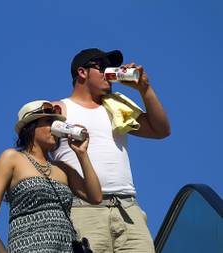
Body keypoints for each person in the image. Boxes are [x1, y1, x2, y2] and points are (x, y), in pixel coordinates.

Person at [51, 48, 171, 253]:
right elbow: (33, 149)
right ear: (82, 72)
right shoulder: (59, 109)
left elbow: (161, 130)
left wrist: (144, 89)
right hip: (83, 208)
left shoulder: (116, 108)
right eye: (102, 67)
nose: (109, 73)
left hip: (127, 208)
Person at [0, 100, 103, 253]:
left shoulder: (62, 168)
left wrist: (82, 154)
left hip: (66, 248)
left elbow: (95, 197)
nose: (55, 128)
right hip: (30, 247)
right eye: (49, 122)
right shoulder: (12, 158)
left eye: (56, 122)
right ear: (31, 127)